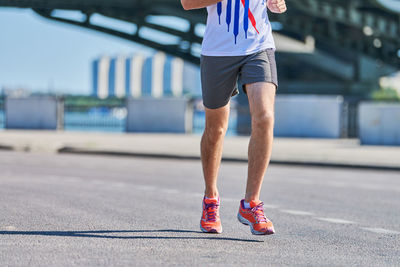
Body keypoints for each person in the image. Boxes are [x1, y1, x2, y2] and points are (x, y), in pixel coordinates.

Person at [181, 0, 287, 235]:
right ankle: (210, 199)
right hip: (217, 52)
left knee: (265, 117)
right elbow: (187, 3)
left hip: (258, 46)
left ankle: (251, 204)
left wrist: (276, 3)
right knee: (216, 129)